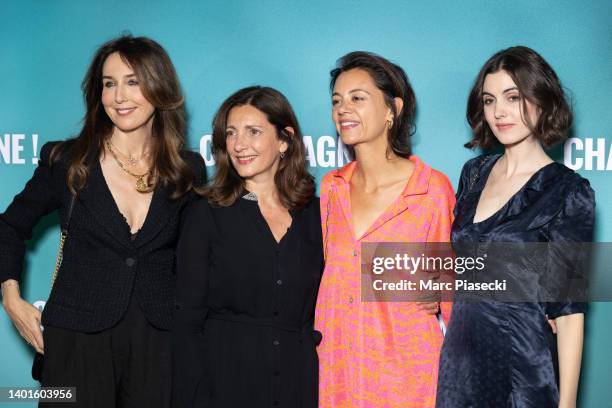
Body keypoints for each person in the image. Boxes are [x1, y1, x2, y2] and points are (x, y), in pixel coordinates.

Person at [0, 35, 205, 407]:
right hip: (76, 343)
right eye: (109, 84)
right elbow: (8, 227)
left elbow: (201, 258)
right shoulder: (67, 161)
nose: (120, 96)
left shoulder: (186, 170)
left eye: (133, 81)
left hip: (159, 344)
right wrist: (11, 299)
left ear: (159, 87)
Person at [436, 46, 594, 408]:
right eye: (490, 100)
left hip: (522, 368)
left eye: (514, 97)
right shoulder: (473, 174)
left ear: (541, 99)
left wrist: (566, 403)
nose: (499, 112)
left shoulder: (567, 190)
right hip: (460, 362)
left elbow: (569, 313)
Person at [315, 51, 455, 408]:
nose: (343, 109)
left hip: (407, 375)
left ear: (392, 109)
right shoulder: (331, 188)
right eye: (337, 101)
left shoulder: (430, 189)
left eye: (358, 98)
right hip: (339, 370)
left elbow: (452, 287)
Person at [172, 86, 324, 407]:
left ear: (284, 140)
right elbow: (187, 322)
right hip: (225, 384)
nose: (239, 145)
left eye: (253, 132)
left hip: (299, 385)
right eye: (231, 133)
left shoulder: (318, 215)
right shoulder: (206, 213)